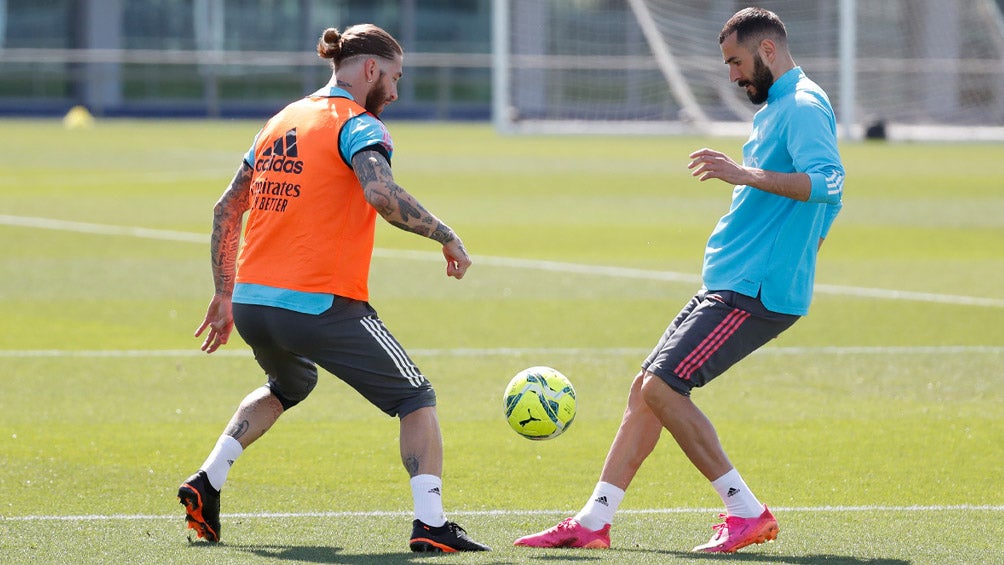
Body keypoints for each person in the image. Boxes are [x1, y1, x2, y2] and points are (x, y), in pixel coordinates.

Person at [514, 7, 844, 554]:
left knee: (666, 388)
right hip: (732, 278)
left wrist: (743, 176)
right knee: (646, 390)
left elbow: (829, 182)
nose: (733, 76)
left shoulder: (804, 104)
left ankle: (746, 511)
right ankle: (593, 522)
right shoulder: (780, 105)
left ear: (767, 50)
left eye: (737, 62)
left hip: (756, 286)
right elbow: (826, 193)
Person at [176, 23, 490, 553]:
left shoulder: (281, 121)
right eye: (393, 77)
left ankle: (206, 481)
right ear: (370, 69)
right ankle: (432, 524)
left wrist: (225, 293)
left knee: (290, 385)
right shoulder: (358, 124)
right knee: (416, 397)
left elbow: (227, 207)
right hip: (319, 303)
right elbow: (380, 192)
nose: (395, 89)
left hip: (254, 302)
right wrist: (446, 234)